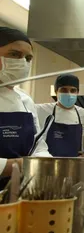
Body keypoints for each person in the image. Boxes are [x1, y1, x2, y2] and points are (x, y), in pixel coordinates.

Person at [0, 27, 51, 185]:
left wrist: (49, 163)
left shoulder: (25, 99)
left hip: (21, 191)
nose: (23, 62)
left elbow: (38, 145)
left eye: (28, 58)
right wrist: (21, 165)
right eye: (14, 55)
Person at [36, 74, 84, 157]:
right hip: (49, 164)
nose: (69, 94)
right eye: (64, 90)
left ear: (77, 92)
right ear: (56, 92)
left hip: (74, 166)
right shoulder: (42, 110)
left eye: (73, 90)